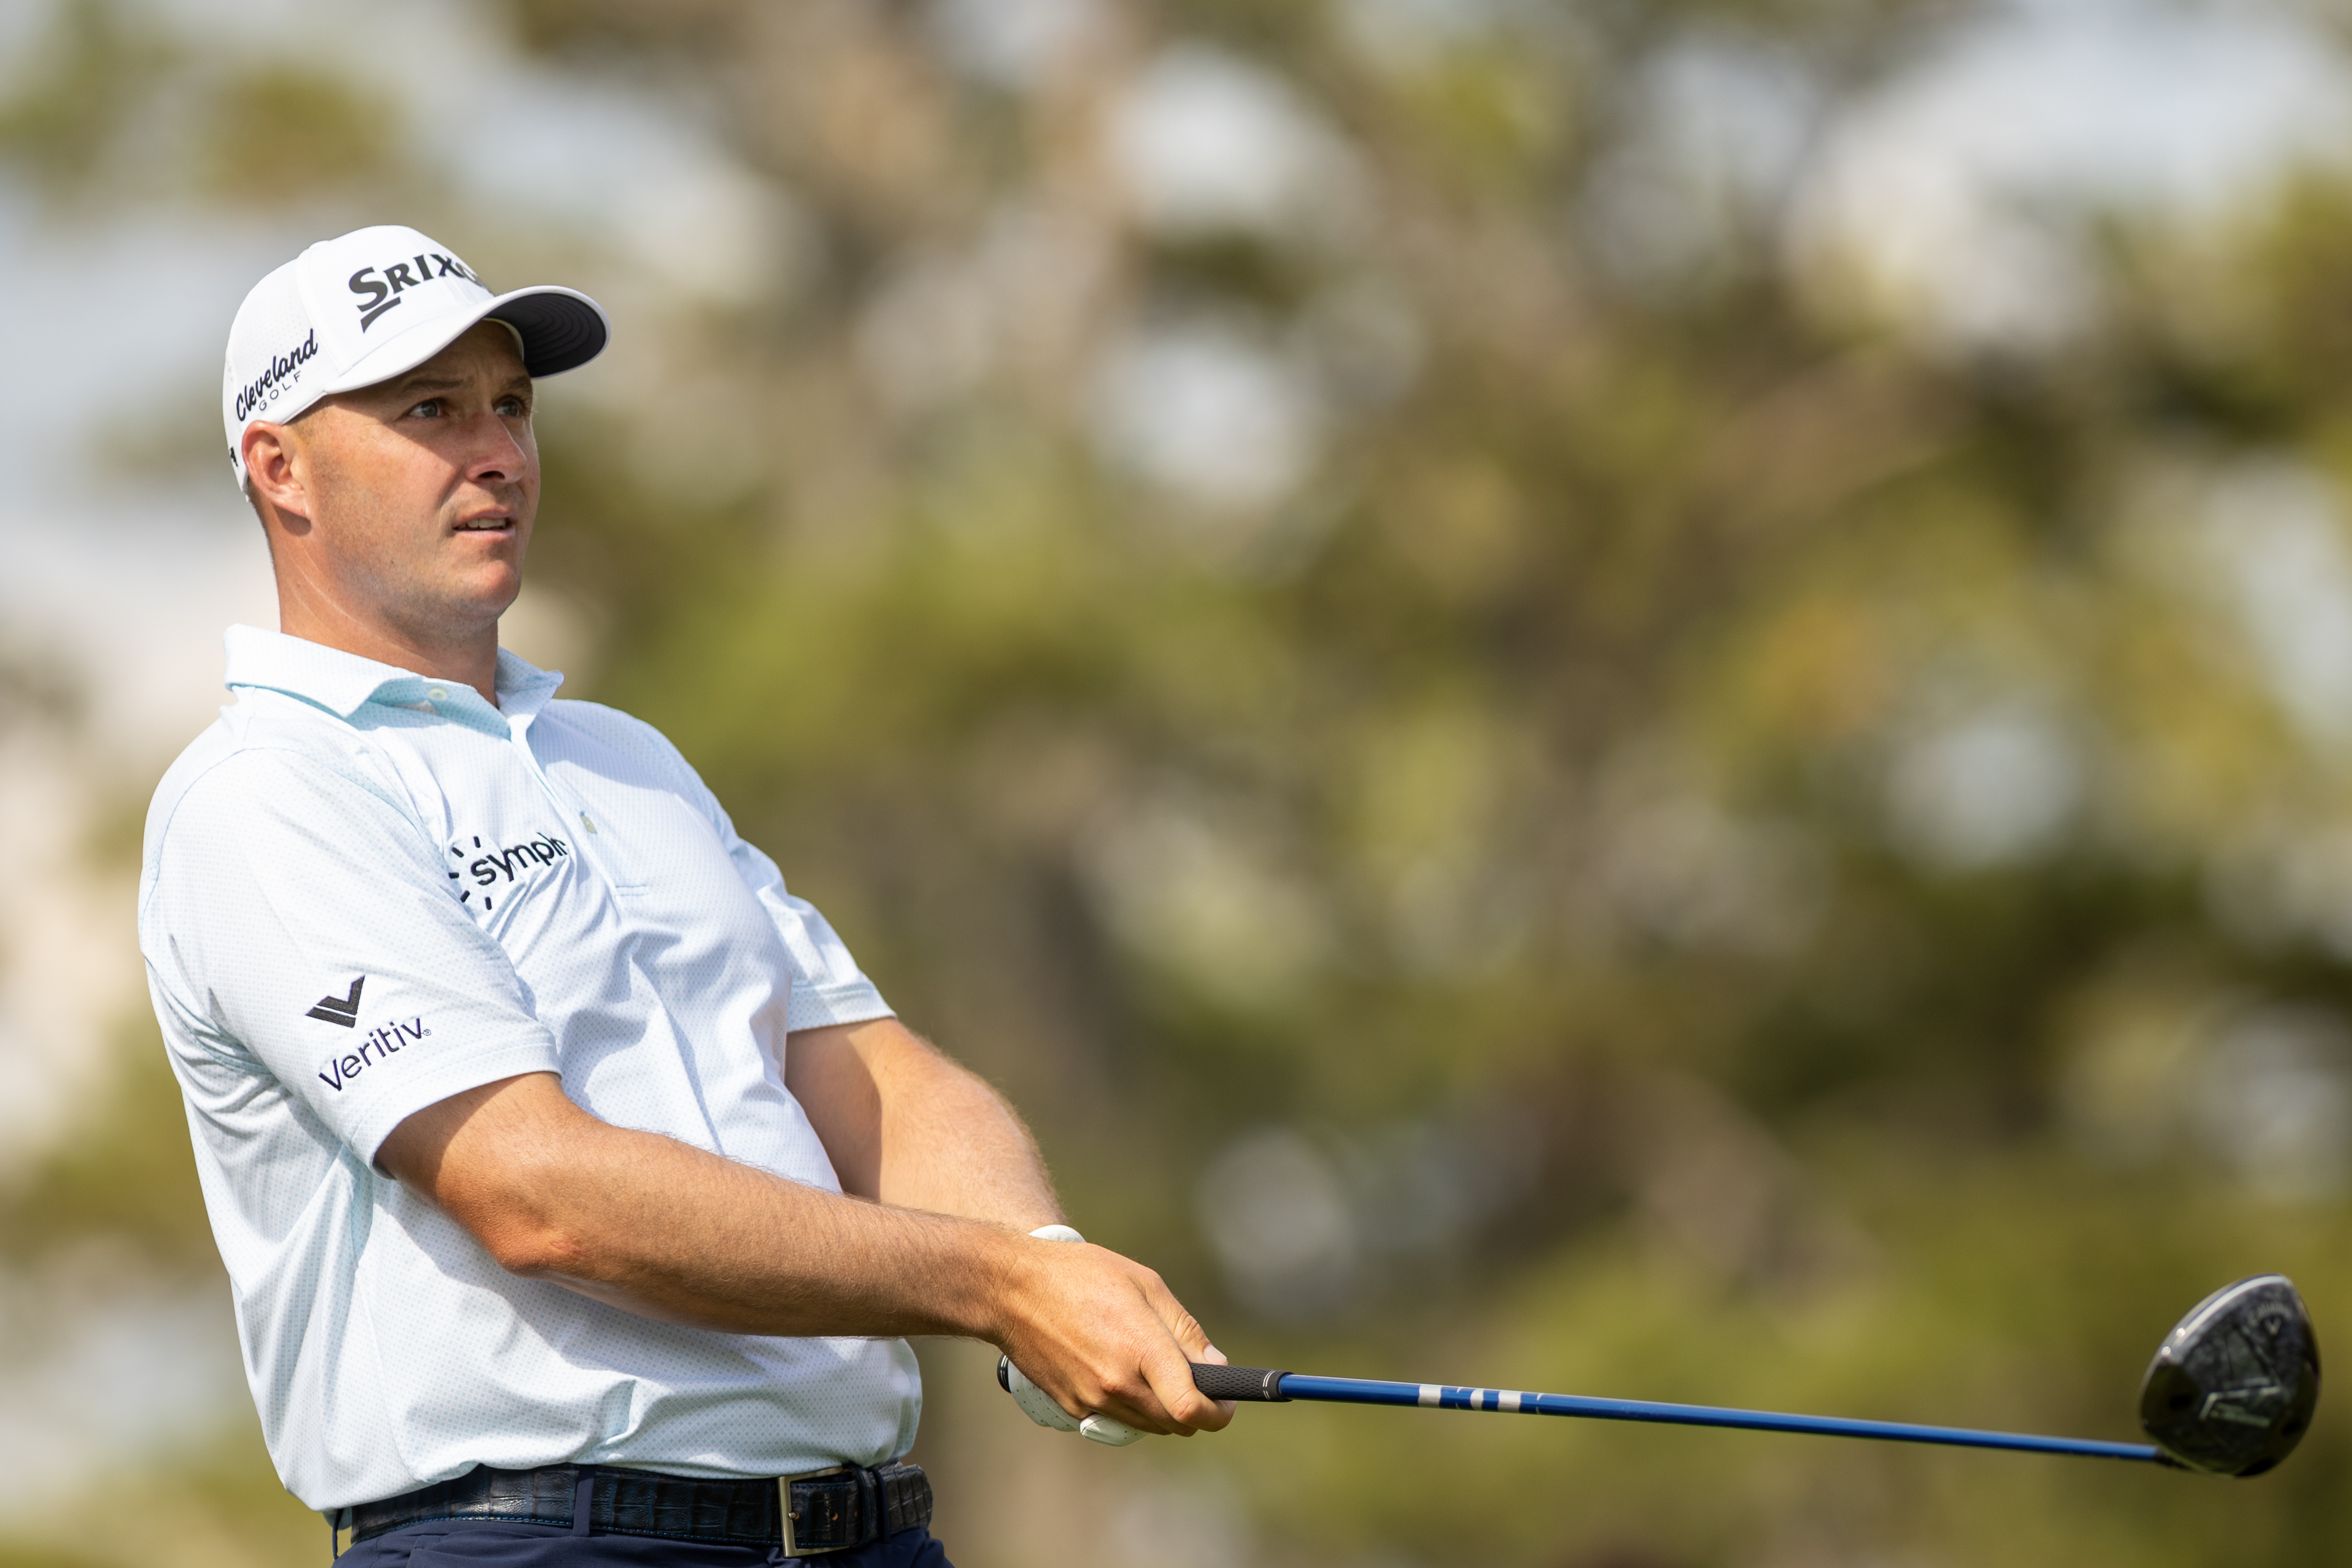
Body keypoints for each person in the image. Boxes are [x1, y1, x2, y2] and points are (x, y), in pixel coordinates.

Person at [137, 225, 1231, 1566]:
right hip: (540, 1540)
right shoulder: (267, 794)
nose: (498, 453)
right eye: (431, 410)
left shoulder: (624, 757)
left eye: (513, 408)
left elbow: (868, 1078)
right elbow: (535, 1193)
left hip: (865, 1530)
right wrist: (997, 1288)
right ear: (280, 470)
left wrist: (1055, 1261)